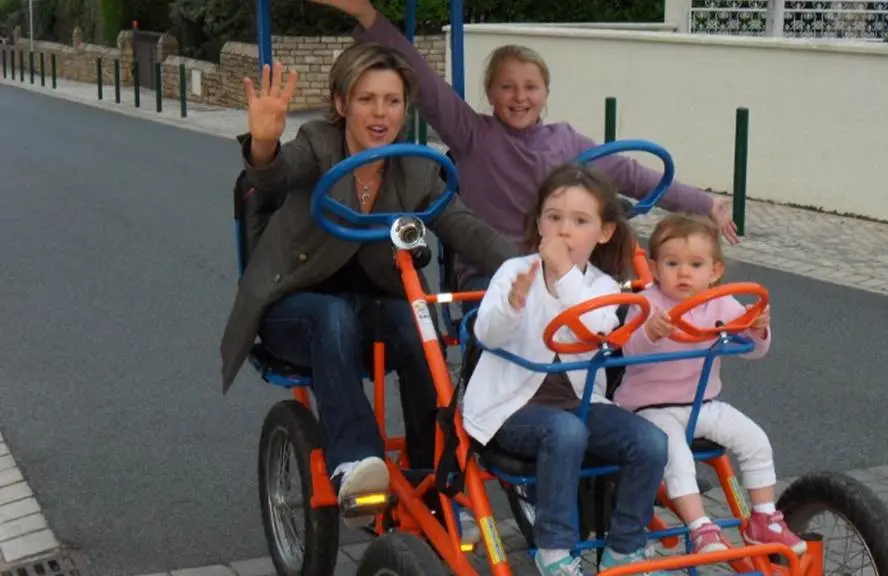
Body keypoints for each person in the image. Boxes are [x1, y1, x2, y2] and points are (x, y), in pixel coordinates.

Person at [218, 44, 518, 532]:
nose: (380, 113)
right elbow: (273, 175)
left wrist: (534, 268)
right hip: (292, 308)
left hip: (371, 310)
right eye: (366, 99)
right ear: (341, 104)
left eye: (393, 101)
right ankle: (353, 462)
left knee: (417, 327)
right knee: (330, 314)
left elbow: (467, 230)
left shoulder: (416, 168)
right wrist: (264, 144)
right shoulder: (317, 144)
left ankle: (431, 476)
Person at [309, 0, 739, 308]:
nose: (519, 97)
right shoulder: (471, 133)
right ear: (491, 93)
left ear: (545, 93)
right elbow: (426, 84)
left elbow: (632, 175)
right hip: (491, 274)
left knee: (627, 305)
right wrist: (368, 15)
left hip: (566, 271)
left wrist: (706, 205)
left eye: (530, 87)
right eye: (507, 87)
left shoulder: (567, 142)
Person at [463, 163, 672, 576]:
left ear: (604, 232)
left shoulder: (603, 286)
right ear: (539, 223)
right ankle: (555, 550)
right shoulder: (514, 271)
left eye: (579, 221)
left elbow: (596, 329)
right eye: (554, 218)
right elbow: (486, 333)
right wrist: (513, 304)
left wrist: (563, 274)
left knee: (650, 442)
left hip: (579, 401)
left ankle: (624, 548)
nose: (563, 231)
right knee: (566, 432)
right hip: (509, 408)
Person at [614, 213, 806, 556]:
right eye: (672, 263)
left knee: (755, 440)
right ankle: (700, 527)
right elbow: (627, 349)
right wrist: (650, 332)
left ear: (714, 271)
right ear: (655, 269)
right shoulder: (648, 304)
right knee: (677, 457)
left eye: (695, 264)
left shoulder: (719, 302)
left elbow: (753, 351)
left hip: (703, 403)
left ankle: (763, 518)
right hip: (649, 409)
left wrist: (756, 328)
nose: (683, 272)